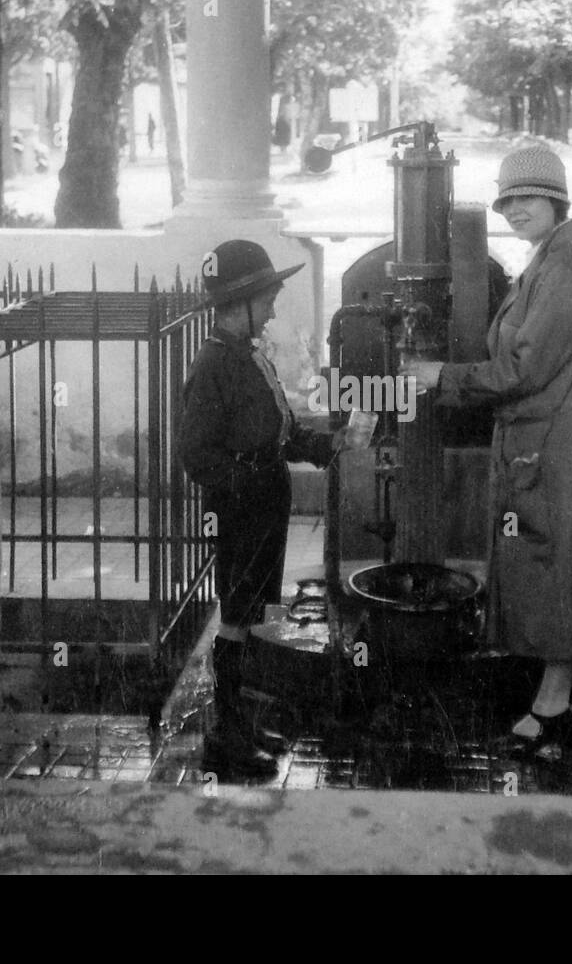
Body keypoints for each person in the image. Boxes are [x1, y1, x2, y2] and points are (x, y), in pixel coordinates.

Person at [406, 144, 572, 758]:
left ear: (556, 199)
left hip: (562, 448)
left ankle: (550, 706)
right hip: (553, 443)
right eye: (506, 200)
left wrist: (441, 377)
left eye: (526, 198)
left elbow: (525, 368)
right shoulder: (549, 259)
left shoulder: (563, 268)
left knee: (559, 574)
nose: (512, 210)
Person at [180, 240, 346, 778]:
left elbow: (277, 430)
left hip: (263, 499)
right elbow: (197, 453)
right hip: (241, 508)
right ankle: (227, 740)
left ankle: (243, 726)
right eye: (269, 296)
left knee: (250, 617)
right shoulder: (214, 365)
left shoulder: (246, 352)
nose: (275, 306)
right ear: (240, 302)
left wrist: (321, 447)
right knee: (235, 620)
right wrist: (247, 482)